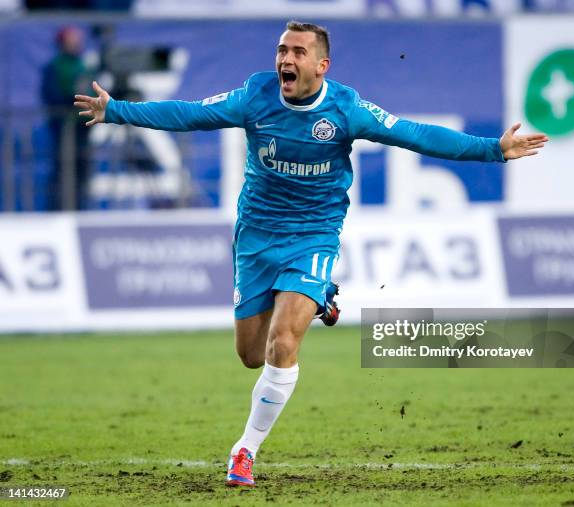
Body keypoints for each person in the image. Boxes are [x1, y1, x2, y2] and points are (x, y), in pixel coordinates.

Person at [74, 21, 548, 487]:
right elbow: (189, 113)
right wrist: (118, 111)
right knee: (251, 356)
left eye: (298, 52)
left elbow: (416, 134)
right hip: (256, 237)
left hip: (314, 235)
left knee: (284, 341)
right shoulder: (255, 96)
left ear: (322, 65)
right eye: (282, 50)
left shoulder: (346, 109)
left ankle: (245, 451)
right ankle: (322, 295)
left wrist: (494, 149)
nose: (286, 59)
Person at [42, 26, 91, 210]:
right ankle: (56, 209)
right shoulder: (53, 67)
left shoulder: (84, 67)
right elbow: (50, 95)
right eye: (72, 41)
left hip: (82, 127)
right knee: (61, 168)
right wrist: (72, 99)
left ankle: (80, 208)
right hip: (62, 127)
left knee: (81, 170)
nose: (76, 45)